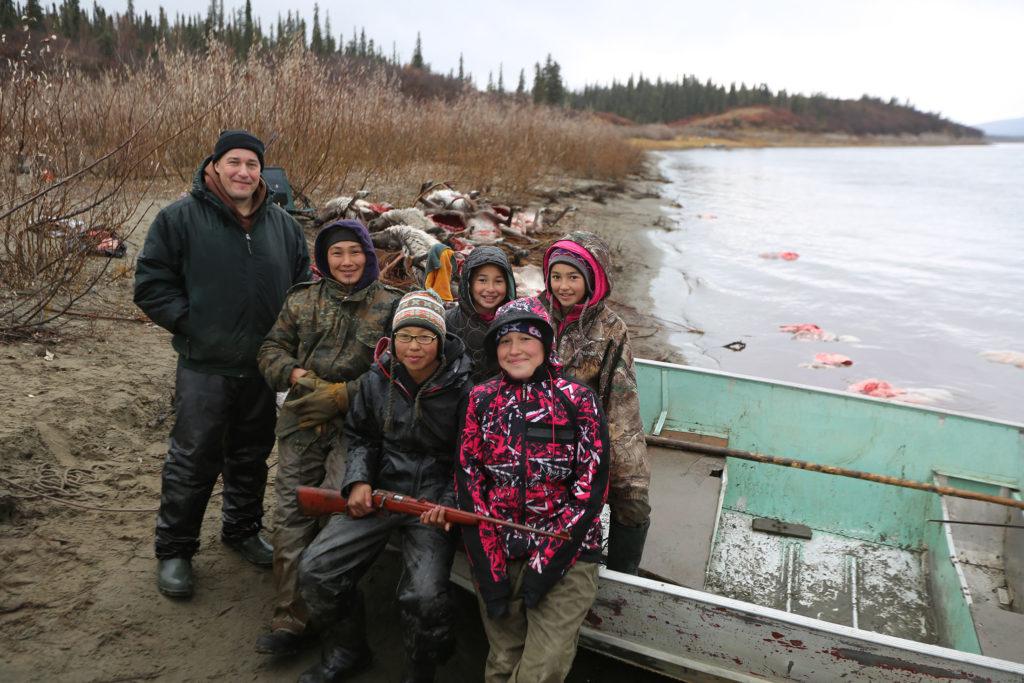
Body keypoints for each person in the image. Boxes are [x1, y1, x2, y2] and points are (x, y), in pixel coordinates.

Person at [133, 129, 312, 599]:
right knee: (192, 460)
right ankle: (175, 550)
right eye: (234, 162)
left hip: (263, 368)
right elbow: (151, 284)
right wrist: (194, 325)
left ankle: (241, 529)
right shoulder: (179, 220)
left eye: (252, 165)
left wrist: (287, 345)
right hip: (204, 367)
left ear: (261, 173)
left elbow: (301, 293)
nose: (243, 172)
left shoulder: (285, 227)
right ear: (214, 166)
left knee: (251, 455)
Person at [296, 290, 472, 683]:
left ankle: (419, 671)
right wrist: (358, 481)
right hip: (380, 493)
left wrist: (445, 506)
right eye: (405, 335)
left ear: (440, 341)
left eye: (425, 337)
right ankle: (348, 651)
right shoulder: (377, 379)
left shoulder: (464, 388)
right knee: (316, 569)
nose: (414, 346)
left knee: (425, 597)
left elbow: (467, 459)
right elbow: (361, 436)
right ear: (392, 339)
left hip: (431, 503)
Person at [254, 218, 403, 655]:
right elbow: (269, 350)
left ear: (368, 255)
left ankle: (332, 612)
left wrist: (344, 395)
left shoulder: (391, 306)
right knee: (291, 515)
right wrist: (300, 377)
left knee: (338, 514)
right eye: (336, 253)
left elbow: (401, 367)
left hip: (357, 429)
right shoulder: (302, 301)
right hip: (302, 423)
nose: (346, 261)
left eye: (354, 252)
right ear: (323, 259)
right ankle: (291, 618)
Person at [456, 296, 610, 682]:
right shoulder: (480, 399)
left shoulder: (579, 401)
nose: (515, 350)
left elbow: (590, 492)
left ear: (545, 343)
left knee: (541, 670)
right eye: (504, 342)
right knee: (502, 663)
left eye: (525, 339)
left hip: (569, 554)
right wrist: (491, 575)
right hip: (499, 550)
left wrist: (545, 568)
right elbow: (469, 483)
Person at [539, 231, 651, 574]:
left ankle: (622, 575)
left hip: (592, 427)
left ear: (593, 279)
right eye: (556, 276)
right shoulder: (533, 314)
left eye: (573, 277)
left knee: (633, 498)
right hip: (536, 428)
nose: (563, 285)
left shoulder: (611, 329)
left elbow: (621, 400)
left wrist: (614, 457)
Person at [445, 245, 517, 384]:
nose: (490, 289)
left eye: (498, 281)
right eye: (482, 280)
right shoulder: (448, 321)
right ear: (468, 283)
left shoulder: (517, 323)